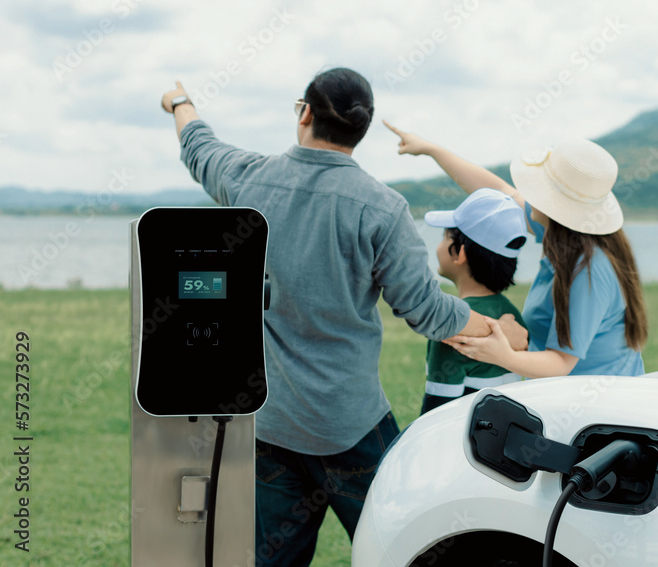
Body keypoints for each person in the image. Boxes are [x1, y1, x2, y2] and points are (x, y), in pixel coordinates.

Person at [160, 71, 526, 566]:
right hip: (351, 425)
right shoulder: (383, 208)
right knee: (412, 550)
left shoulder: (249, 180)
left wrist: (180, 101)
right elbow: (427, 310)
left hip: (271, 423)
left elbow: (200, 149)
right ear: (362, 130)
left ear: (305, 113)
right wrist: (493, 328)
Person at [385, 121, 648, 379]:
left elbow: (562, 362)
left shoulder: (590, 270)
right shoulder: (565, 232)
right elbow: (498, 191)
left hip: (597, 409)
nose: (529, 193)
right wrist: (432, 150)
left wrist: (504, 356)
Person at [421, 188, 529, 414]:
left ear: (459, 253)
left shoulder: (454, 326)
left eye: (444, 236)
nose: (439, 245)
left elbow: (437, 411)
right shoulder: (511, 315)